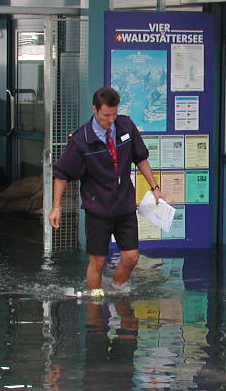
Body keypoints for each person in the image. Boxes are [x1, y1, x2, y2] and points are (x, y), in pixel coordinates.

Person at [49, 86, 166, 297]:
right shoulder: (81, 140)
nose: (111, 120)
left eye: (114, 114)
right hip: (99, 209)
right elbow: (62, 174)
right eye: (106, 115)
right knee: (98, 260)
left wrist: (155, 188)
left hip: (124, 205)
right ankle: (95, 304)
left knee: (131, 257)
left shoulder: (126, 126)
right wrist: (56, 207)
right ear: (95, 109)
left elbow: (140, 158)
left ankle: (116, 290)